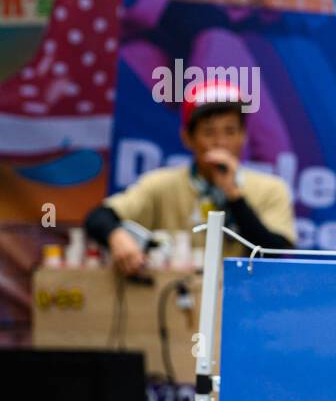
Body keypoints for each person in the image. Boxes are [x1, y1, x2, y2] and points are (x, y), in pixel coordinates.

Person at [85, 79, 296, 274]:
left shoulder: (271, 188)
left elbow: (272, 251)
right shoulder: (161, 185)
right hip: (172, 301)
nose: (220, 142)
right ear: (187, 138)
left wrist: (234, 194)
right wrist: (116, 235)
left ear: (244, 136)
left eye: (230, 131)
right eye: (209, 132)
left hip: (242, 303)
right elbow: (98, 217)